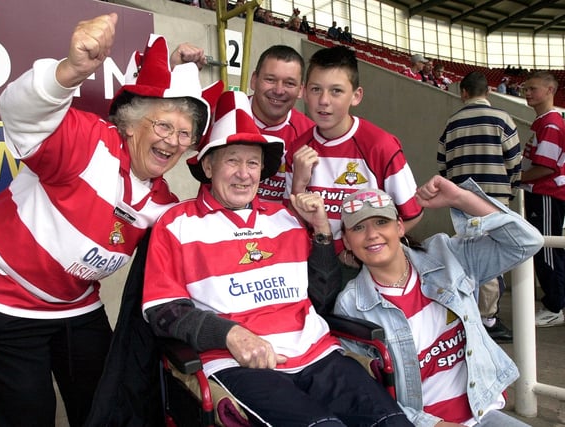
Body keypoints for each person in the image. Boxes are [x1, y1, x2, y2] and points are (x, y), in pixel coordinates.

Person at [0, 13, 222, 426]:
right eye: (163, 124)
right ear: (130, 125)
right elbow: (21, 114)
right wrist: (69, 71)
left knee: (106, 401)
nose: (173, 141)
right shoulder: (89, 142)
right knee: (23, 414)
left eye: (185, 134)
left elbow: (198, 246)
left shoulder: (162, 203)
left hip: (73, 304)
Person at [142, 90, 413, 427]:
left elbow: (323, 297)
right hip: (237, 363)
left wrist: (321, 233)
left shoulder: (285, 218)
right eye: (232, 160)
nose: (244, 173)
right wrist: (229, 334)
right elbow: (163, 312)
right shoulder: (177, 224)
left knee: (391, 422)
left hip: (317, 355)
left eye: (252, 162)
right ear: (208, 165)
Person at [333, 176, 543, 427]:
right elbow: (365, 395)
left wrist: (462, 199)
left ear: (400, 227)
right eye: (358, 228)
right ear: (346, 241)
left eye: (381, 222)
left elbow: (526, 241)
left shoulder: (447, 256)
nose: (372, 234)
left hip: (482, 414)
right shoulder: (351, 305)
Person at [285, 45, 423, 277]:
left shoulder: (380, 145)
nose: (324, 100)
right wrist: (298, 184)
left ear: (356, 96)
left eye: (336, 91)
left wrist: (364, 250)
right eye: (316, 89)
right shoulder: (298, 149)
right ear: (304, 92)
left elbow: (412, 214)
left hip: (366, 268)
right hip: (314, 265)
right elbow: (293, 221)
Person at [437, 71, 522, 343]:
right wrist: (510, 186)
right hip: (495, 200)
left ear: (463, 92)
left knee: (468, 254)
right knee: (491, 258)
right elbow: (514, 161)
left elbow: (443, 164)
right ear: (488, 92)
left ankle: (472, 312)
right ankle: (487, 318)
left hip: (462, 199)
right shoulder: (503, 119)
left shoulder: (451, 123)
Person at [521, 70, 565, 327]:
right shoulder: (544, 122)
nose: (527, 93)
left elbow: (547, 167)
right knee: (549, 247)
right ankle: (556, 301)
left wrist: (519, 177)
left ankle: (554, 306)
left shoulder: (550, 124)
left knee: (545, 248)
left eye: (533, 88)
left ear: (550, 90)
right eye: (525, 89)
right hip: (543, 193)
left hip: (547, 193)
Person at [249, 45, 314, 203]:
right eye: (270, 80)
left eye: (289, 83)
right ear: (254, 80)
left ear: (300, 90)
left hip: (281, 225)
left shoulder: (310, 134)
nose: (279, 90)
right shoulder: (224, 113)